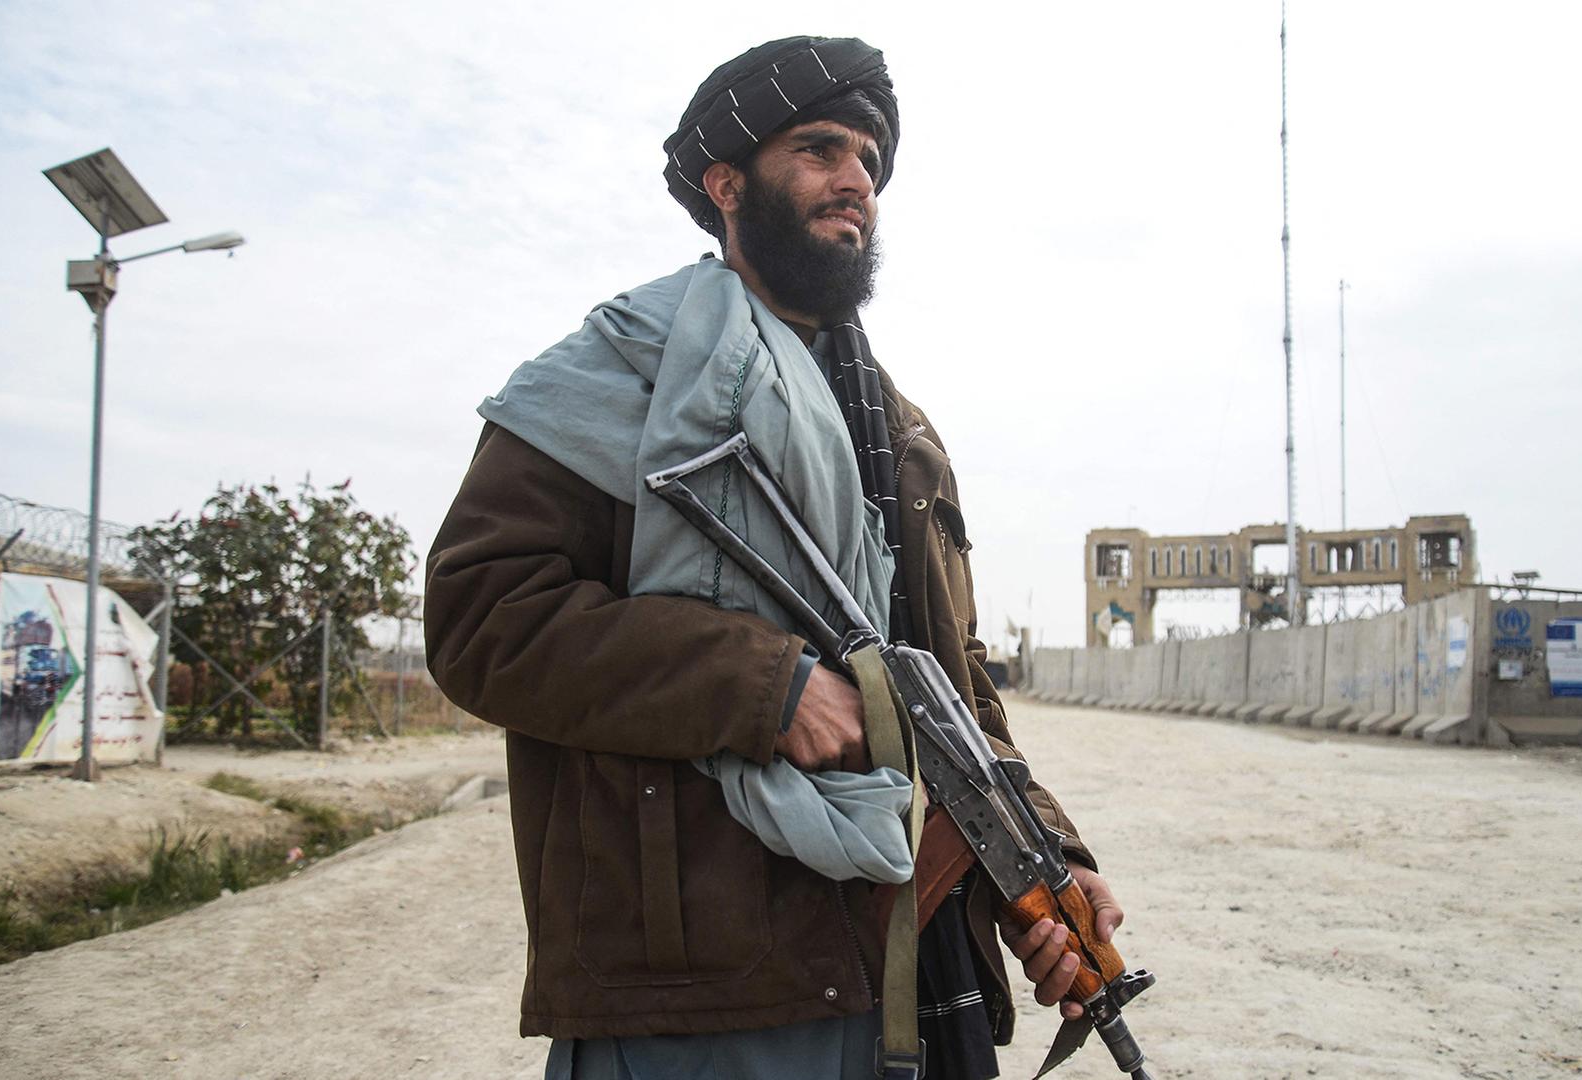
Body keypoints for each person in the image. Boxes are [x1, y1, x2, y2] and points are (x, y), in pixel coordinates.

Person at [424, 36, 1127, 1079]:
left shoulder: (905, 434)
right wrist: (765, 685)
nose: (857, 180)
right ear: (727, 184)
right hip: (705, 985)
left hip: (912, 965)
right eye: (819, 149)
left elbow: (956, 692)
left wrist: (1046, 860)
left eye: (871, 163)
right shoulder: (621, 371)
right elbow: (482, 620)